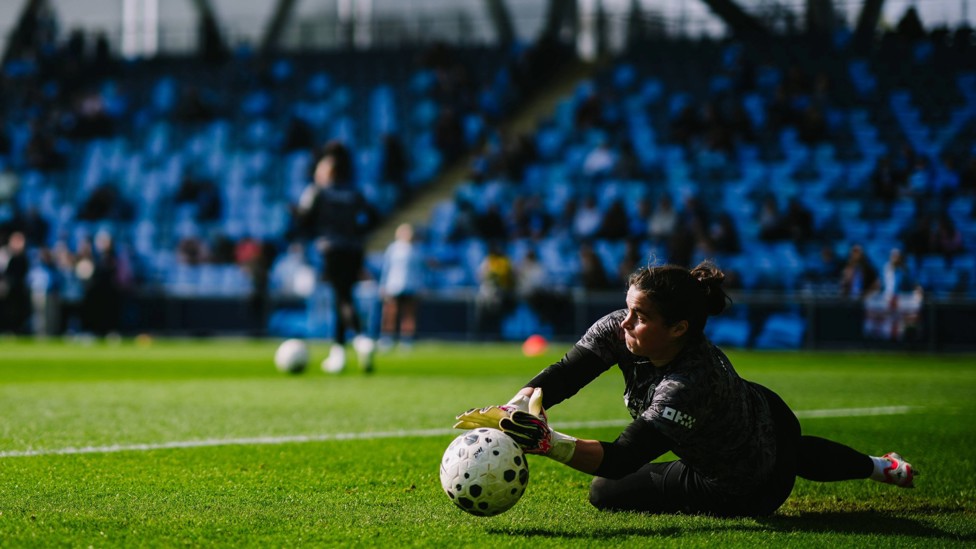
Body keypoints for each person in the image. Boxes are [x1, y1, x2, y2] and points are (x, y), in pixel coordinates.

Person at [456, 261, 916, 518]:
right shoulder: (623, 327)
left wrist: (548, 444)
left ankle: (879, 467)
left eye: (640, 316)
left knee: (605, 492)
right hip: (761, 410)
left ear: (678, 328)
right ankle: (880, 466)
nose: (625, 322)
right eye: (627, 308)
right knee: (788, 446)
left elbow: (622, 459)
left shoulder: (690, 381)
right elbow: (567, 372)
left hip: (742, 487)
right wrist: (519, 404)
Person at [294, 141, 378, 373]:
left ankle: (362, 339)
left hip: (332, 249)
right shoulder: (354, 192)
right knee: (344, 296)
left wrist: (295, 212)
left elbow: (304, 220)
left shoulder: (319, 191)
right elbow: (373, 215)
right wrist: (357, 232)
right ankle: (338, 354)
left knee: (342, 297)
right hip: (354, 248)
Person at [378, 223, 425, 351]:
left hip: (410, 286)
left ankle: (406, 340)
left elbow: (419, 271)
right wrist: (383, 285)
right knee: (390, 313)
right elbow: (386, 268)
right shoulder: (393, 249)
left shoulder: (415, 250)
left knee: (408, 314)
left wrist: (419, 286)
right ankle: (387, 338)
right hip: (393, 286)